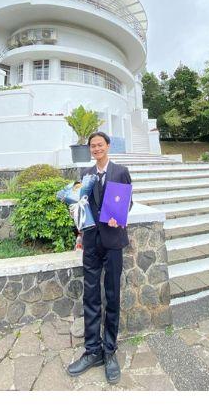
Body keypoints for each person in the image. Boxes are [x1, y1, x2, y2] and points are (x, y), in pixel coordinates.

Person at [66, 131, 132, 385]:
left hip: (113, 240)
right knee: (91, 295)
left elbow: (128, 202)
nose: (96, 148)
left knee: (112, 295)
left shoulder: (121, 171)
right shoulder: (85, 175)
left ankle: (109, 351)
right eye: (92, 146)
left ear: (107, 146)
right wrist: (79, 232)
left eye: (100, 145)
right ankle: (92, 350)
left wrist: (120, 216)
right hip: (92, 242)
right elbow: (82, 207)